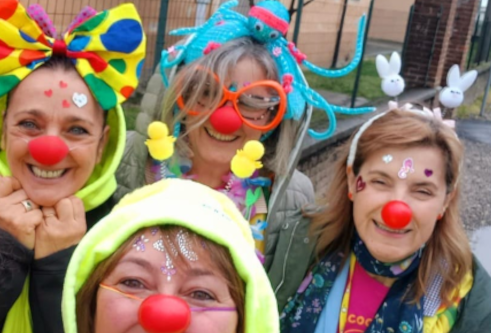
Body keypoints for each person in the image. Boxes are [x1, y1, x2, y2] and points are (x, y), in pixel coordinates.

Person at [0, 0, 146, 333]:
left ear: (102, 145)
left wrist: (57, 267)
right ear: (3, 127)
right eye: (29, 124)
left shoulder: (127, 237)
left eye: (76, 130)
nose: (50, 149)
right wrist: (3, 250)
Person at [116, 1, 374, 267]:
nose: (224, 119)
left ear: (275, 117)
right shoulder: (124, 161)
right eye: (206, 92)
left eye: (251, 102)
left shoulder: (291, 198)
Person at [270, 104, 491, 333]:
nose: (395, 210)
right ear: (352, 182)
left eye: (422, 191)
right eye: (380, 182)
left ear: (445, 201)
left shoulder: (466, 293)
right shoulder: (301, 242)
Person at [0, 179, 279, 333]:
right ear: (90, 306)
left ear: (243, 327)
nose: (162, 316)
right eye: (133, 282)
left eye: (201, 294)